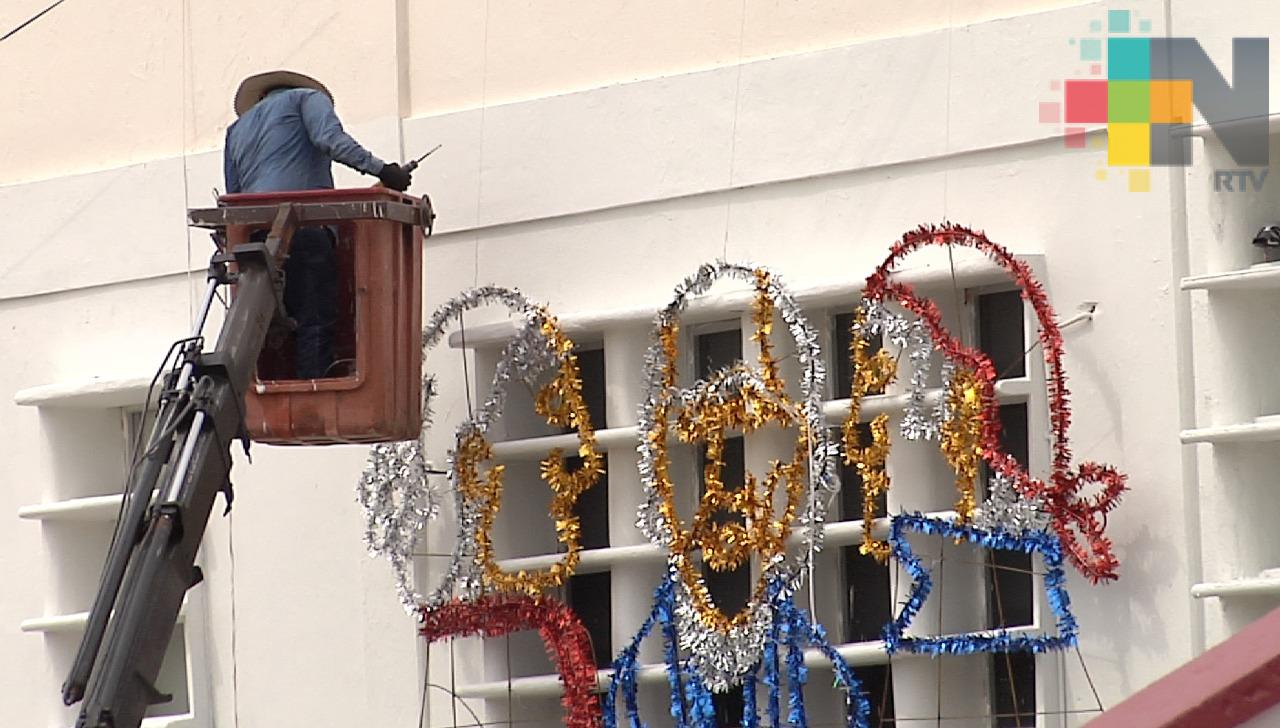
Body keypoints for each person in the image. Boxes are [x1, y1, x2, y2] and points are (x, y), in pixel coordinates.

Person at [223, 70, 413, 379]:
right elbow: (331, 140)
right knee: (315, 318)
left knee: (266, 323)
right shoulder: (307, 99)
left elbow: (233, 193)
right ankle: (311, 399)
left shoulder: (236, 130)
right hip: (304, 226)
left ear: (260, 98)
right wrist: (383, 170)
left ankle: (274, 400)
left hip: (255, 236)